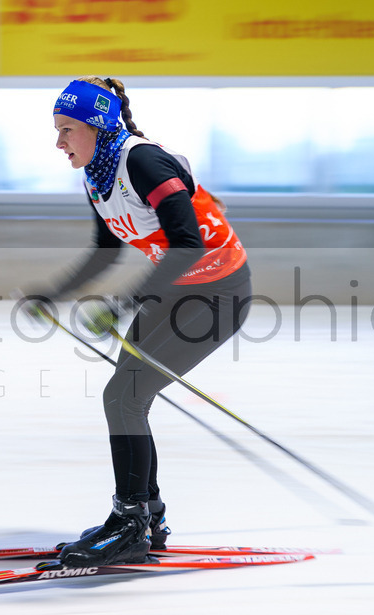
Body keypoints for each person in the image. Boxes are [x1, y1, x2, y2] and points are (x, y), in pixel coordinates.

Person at [18, 76, 252, 568]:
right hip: (175, 290)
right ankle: (145, 516)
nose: (58, 142)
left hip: (219, 293)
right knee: (127, 396)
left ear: (97, 126)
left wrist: (124, 304)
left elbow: (187, 244)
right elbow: (106, 253)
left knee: (122, 395)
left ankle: (131, 524)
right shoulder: (97, 175)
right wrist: (53, 295)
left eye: (66, 130)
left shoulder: (141, 162)